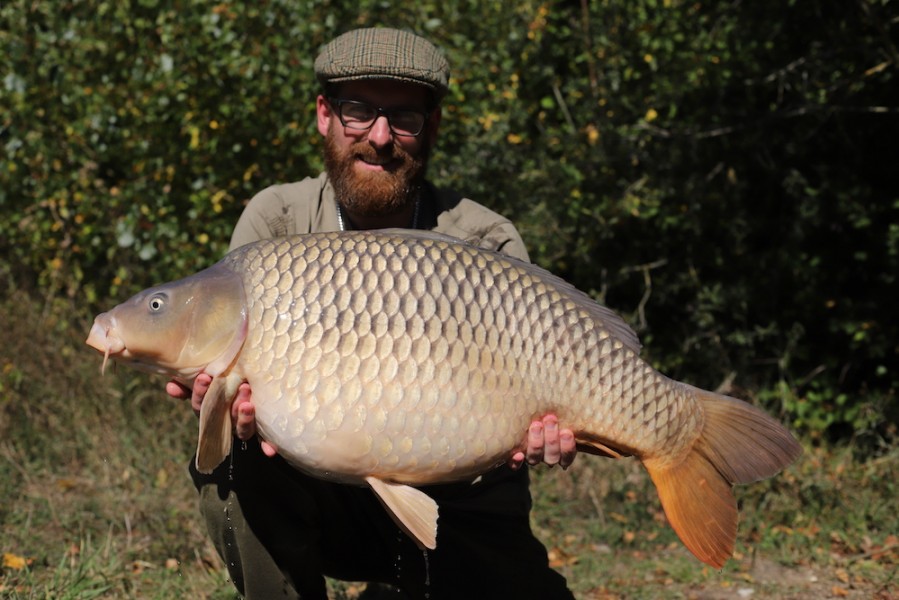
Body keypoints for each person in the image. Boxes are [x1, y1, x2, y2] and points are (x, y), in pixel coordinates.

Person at [168, 27, 578, 599]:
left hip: (461, 504)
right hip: (324, 497)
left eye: (404, 118)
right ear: (324, 116)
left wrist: (543, 434)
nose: (380, 137)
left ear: (431, 127)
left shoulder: (485, 238)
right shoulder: (277, 223)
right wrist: (216, 404)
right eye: (358, 111)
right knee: (229, 465)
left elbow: (532, 413)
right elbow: (231, 382)